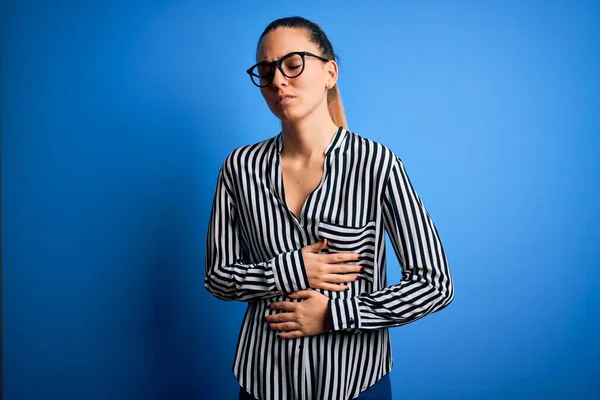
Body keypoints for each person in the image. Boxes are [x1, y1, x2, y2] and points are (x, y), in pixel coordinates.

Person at [204, 16, 454, 400]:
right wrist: (292, 268)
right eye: (266, 70)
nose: (277, 81)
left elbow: (433, 284)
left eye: (292, 64)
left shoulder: (377, 164)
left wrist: (334, 316)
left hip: (356, 384)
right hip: (263, 382)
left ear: (330, 72)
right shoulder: (239, 168)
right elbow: (218, 278)